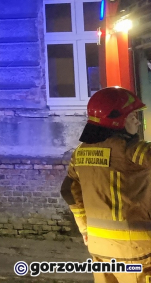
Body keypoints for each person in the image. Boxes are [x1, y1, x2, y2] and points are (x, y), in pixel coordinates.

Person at [61, 86, 151, 283]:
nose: (137, 120)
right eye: (132, 115)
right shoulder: (133, 150)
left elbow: (67, 190)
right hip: (137, 250)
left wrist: (85, 229)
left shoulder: (80, 153)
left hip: (100, 248)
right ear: (117, 120)